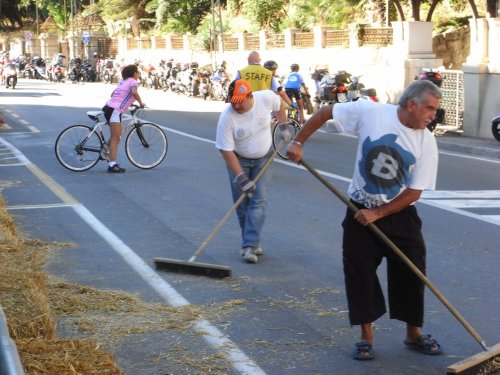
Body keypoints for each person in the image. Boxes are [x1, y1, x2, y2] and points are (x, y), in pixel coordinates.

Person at [286, 80, 443, 360]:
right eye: (430, 109)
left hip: (398, 214)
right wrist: (298, 141)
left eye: (435, 110)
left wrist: (379, 213)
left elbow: (414, 191)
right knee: (359, 273)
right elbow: (326, 113)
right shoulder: (371, 112)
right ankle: (366, 337)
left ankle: (413, 333)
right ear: (411, 105)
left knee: (412, 271)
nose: (433, 115)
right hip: (359, 209)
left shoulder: (426, 140)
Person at [215, 79, 288, 263]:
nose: (236, 106)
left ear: (250, 96)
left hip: (264, 159)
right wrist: (240, 178)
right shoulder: (227, 117)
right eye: (233, 101)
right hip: (239, 161)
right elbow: (226, 150)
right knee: (242, 205)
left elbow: (279, 105)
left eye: (240, 101)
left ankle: (249, 245)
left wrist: (284, 126)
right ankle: (251, 241)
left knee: (259, 200)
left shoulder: (265, 98)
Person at [102, 64, 145, 173]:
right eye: (137, 72)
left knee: (114, 135)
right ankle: (112, 165)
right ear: (134, 73)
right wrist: (140, 103)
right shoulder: (133, 82)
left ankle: (105, 149)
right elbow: (134, 92)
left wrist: (126, 102)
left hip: (108, 108)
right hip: (115, 111)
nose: (138, 74)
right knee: (116, 138)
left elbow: (113, 94)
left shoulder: (123, 81)